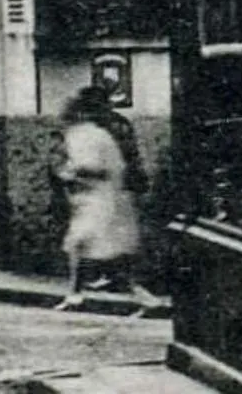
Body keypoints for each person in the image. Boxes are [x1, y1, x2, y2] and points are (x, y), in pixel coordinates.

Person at [53, 85, 162, 314]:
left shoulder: (89, 134)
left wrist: (71, 174)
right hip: (98, 199)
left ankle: (147, 300)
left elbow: (99, 169)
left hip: (102, 202)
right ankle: (75, 296)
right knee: (82, 249)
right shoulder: (91, 132)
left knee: (105, 256)